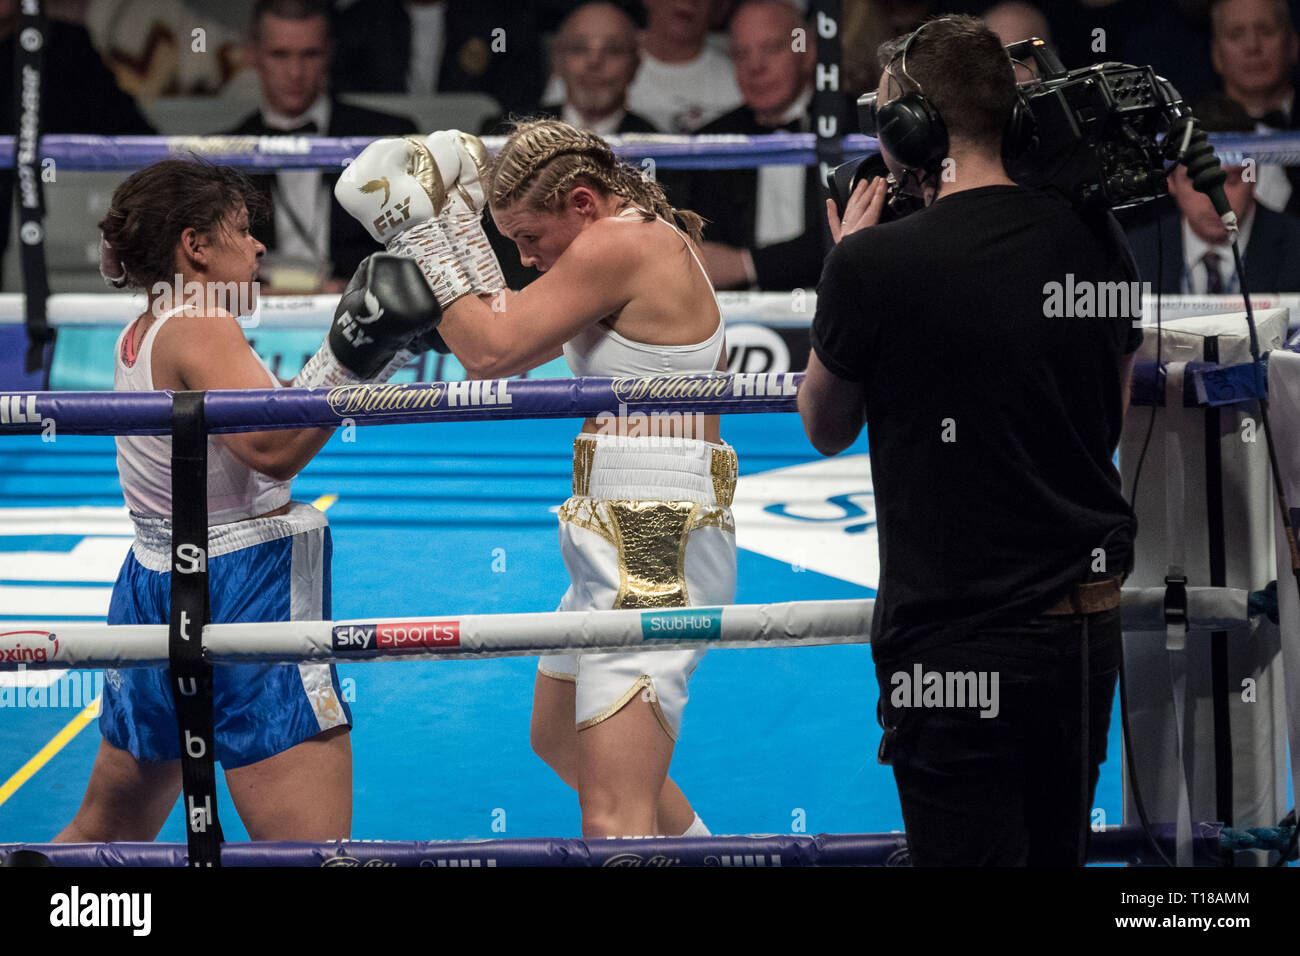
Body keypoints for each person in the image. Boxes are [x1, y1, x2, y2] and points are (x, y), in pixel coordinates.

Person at [798, 15, 1141, 866]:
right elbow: (1112, 411)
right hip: (1085, 630)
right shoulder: (1095, 236)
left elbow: (824, 425)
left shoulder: (874, 265)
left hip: (955, 643)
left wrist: (849, 264)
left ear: (911, 130)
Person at [333, 120, 734, 838]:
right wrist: (454, 218)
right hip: (623, 512)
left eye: (529, 237)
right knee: (557, 737)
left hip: (652, 531)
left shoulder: (620, 244)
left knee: (614, 813)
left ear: (581, 203)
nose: (523, 257)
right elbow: (508, 330)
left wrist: (417, 232)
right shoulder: (623, 236)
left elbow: (489, 351)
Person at [56, 158, 439, 843]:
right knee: (308, 852)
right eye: (241, 229)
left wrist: (359, 356)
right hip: (238, 585)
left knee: (108, 828)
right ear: (194, 245)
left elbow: (261, 420)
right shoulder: (201, 323)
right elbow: (272, 448)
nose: (260, 246)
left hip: (154, 584)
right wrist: (354, 358)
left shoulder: (147, 325)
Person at [224, 0, 417, 293]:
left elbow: (416, 254)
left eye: (310, 54)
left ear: (330, 52)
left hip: (367, 311)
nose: (295, 72)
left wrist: (357, 290)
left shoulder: (388, 138)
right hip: (259, 314)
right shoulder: (224, 155)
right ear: (253, 55)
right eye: (280, 55)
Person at [481, 1, 661, 290]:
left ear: (636, 65)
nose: (594, 62)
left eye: (612, 50)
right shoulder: (504, 133)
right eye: (579, 49)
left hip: (614, 303)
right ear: (557, 61)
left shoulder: (658, 144)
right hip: (517, 300)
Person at [685, 0, 827, 291]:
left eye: (772, 49)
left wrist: (747, 264)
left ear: (808, 52)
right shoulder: (709, 143)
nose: (756, 66)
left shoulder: (850, 128)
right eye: (741, 54)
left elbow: (851, 239)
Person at [1124, 96, 1300, 293]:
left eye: (1232, 180)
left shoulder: (1296, 249)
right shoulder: (1134, 254)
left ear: (1254, 175)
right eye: (1198, 181)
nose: (1216, 201)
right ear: (1170, 180)